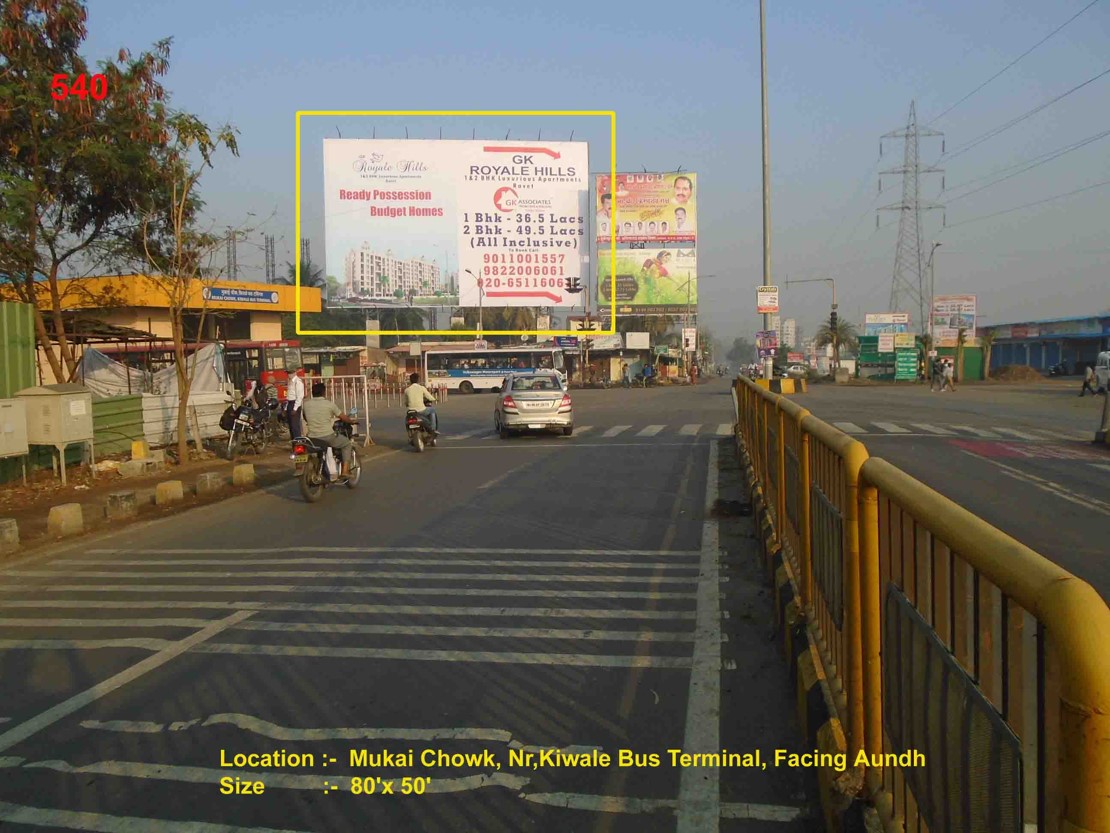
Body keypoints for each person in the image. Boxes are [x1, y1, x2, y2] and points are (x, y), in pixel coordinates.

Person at [301, 381, 355, 479]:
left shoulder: (306, 404)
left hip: (311, 437)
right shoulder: (329, 404)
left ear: (312, 393)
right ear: (323, 392)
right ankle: (345, 471)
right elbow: (342, 417)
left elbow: (305, 417)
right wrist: (351, 422)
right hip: (327, 436)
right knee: (346, 443)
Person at [286, 367, 305, 438]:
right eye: (288, 373)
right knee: (291, 426)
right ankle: (294, 444)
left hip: (294, 404)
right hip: (290, 403)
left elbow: (299, 396)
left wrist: (295, 408)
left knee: (295, 426)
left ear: (294, 373)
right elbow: (288, 396)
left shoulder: (298, 382)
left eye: (290, 373)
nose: (289, 375)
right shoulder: (290, 381)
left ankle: (298, 443)